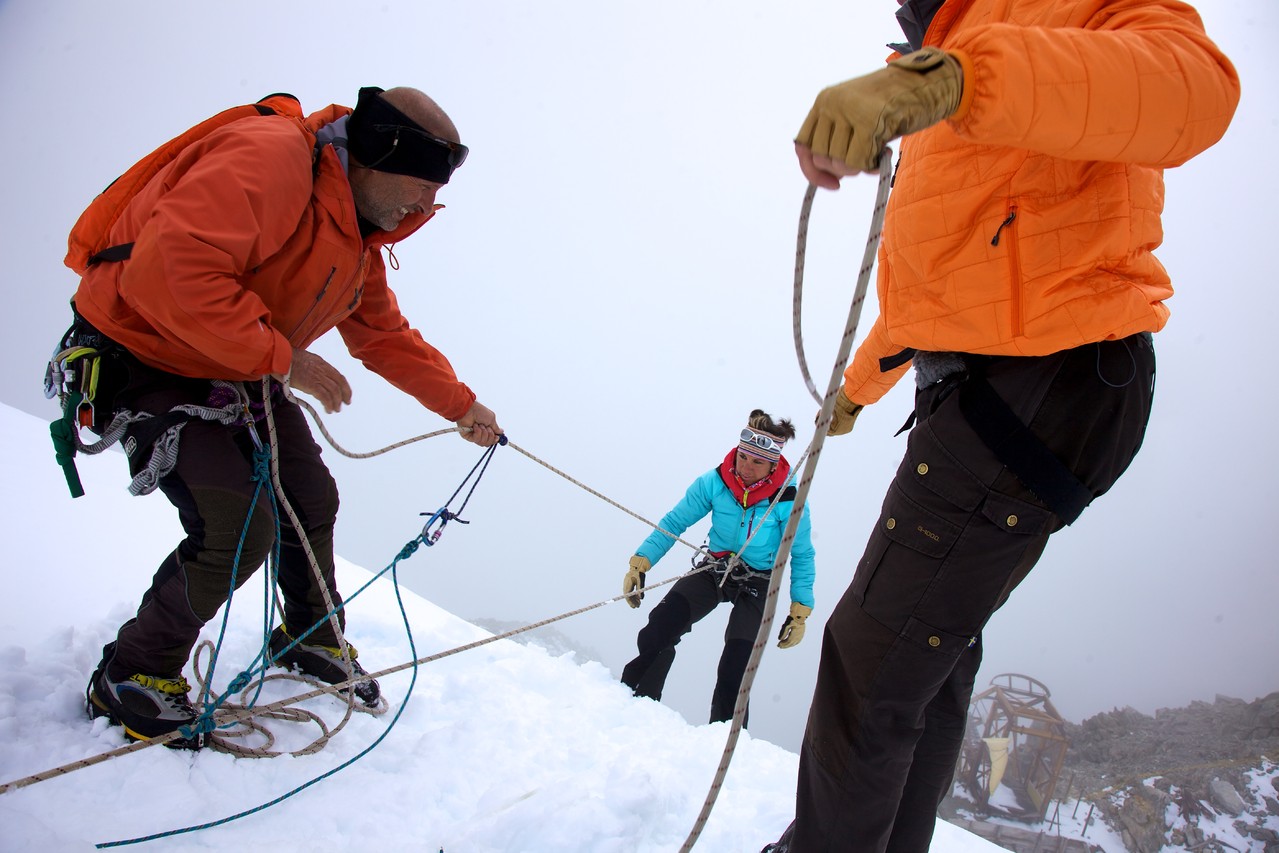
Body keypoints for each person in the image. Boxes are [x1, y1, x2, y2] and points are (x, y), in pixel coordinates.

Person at [765, 2, 1240, 851]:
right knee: (924, 659)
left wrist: (957, 77)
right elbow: (941, 294)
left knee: (871, 659)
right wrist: (856, 391)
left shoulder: (1022, 29)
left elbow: (1194, 88)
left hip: (1039, 381)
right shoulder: (949, 51)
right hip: (1013, 385)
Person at [67, 86, 503, 749]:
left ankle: (308, 639)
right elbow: (167, 270)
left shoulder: (354, 228)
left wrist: (461, 406)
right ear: (376, 154)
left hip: (234, 360)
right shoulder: (269, 160)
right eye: (418, 189)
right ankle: (132, 674)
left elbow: (380, 335)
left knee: (309, 494)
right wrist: (282, 357)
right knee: (240, 524)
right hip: (144, 348)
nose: (422, 208)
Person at [620, 410, 816, 726]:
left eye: (757, 462)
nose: (746, 467)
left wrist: (800, 609)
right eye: (742, 457)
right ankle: (634, 705)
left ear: (772, 466)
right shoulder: (716, 481)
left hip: (758, 581)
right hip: (715, 569)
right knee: (659, 627)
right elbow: (675, 522)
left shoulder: (788, 500)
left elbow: (803, 554)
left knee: (737, 667)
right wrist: (641, 562)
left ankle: (723, 741)